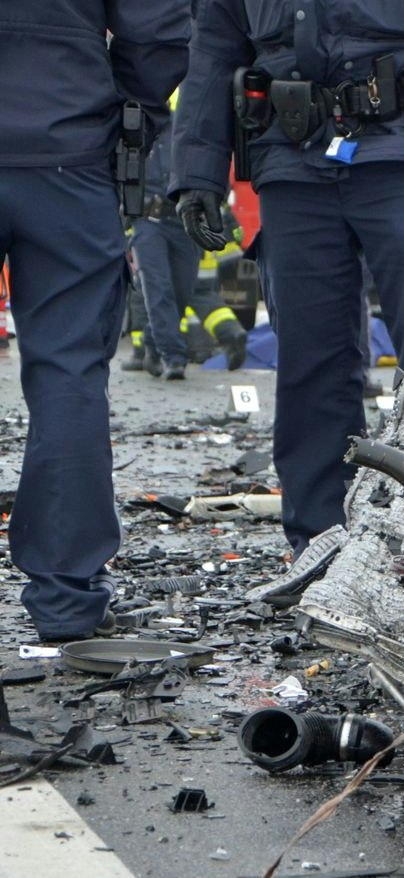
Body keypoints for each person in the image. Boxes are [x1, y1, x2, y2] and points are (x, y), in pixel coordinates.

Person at [171, 0, 404, 555]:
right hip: (291, 160)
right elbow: (215, 44)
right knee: (309, 362)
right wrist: (195, 169)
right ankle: (320, 549)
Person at [0, 0, 187, 641]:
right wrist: (125, 107)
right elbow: (159, 29)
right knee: (68, 370)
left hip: (67, 135)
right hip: (65, 142)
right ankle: (65, 599)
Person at [132, 97, 249, 380]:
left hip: (184, 222)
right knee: (158, 288)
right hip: (148, 223)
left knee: (183, 291)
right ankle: (174, 358)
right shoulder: (139, 125)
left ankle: (151, 344)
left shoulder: (191, 131)